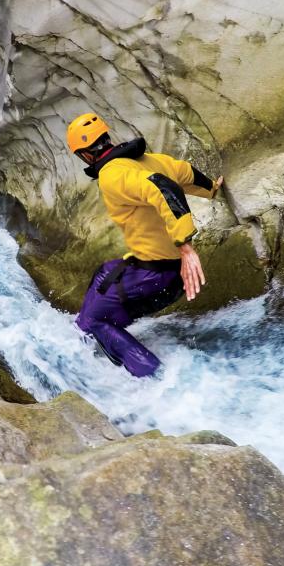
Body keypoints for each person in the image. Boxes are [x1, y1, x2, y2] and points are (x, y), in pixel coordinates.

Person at [67, 112, 223, 378]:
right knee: (104, 273)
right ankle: (97, 343)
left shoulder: (111, 175)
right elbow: (184, 172)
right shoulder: (146, 160)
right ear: (106, 138)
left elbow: (162, 187)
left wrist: (185, 246)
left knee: (91, 319)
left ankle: (151, 376)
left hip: (157, 276)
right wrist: (211, 189)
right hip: (160, 273)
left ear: (85, 155)